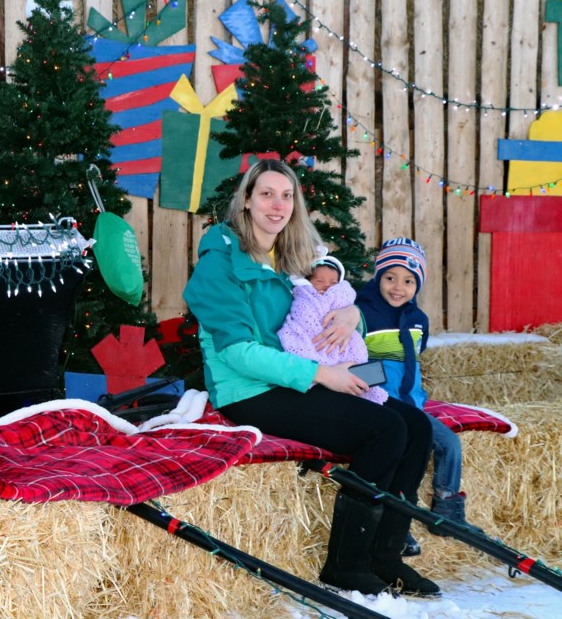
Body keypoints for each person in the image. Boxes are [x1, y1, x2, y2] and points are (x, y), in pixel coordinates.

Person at [183, 159, 438, 597]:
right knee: (385, 429)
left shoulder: (291, 258)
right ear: (246, 201)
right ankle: (347, 563)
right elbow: (238, 353)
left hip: (303, 374)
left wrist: (351, 311)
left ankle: (386, 556)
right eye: (266, 193)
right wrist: (324, 375)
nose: (277, 204)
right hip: (252, 390)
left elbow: (327, 314)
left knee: (417, 426)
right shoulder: (219, 264)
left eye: (287, 195)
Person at [356, 238, 481, 557]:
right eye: (390, 278)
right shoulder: (361, 312)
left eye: (408, 281)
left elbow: (414, 357)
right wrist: (378, 380)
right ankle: (399, 526)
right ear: (377, 276)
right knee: (400, 457)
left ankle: (446, 509)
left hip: (412, 404)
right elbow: (349, 363)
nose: (398, 287)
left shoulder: (417, 320)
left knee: (449, 443)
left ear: (418, 284)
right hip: (379, 404)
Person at [278, 255, 389, 405]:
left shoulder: (342, 300)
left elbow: (353, 325)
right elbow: (300, 320)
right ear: (307, 281)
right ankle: (331, 375)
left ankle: (351, 374)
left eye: (333, 283)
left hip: (342, 348)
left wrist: (352, 312)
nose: (326, 286)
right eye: (319, 281)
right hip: (315, 350)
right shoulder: (304, 299)